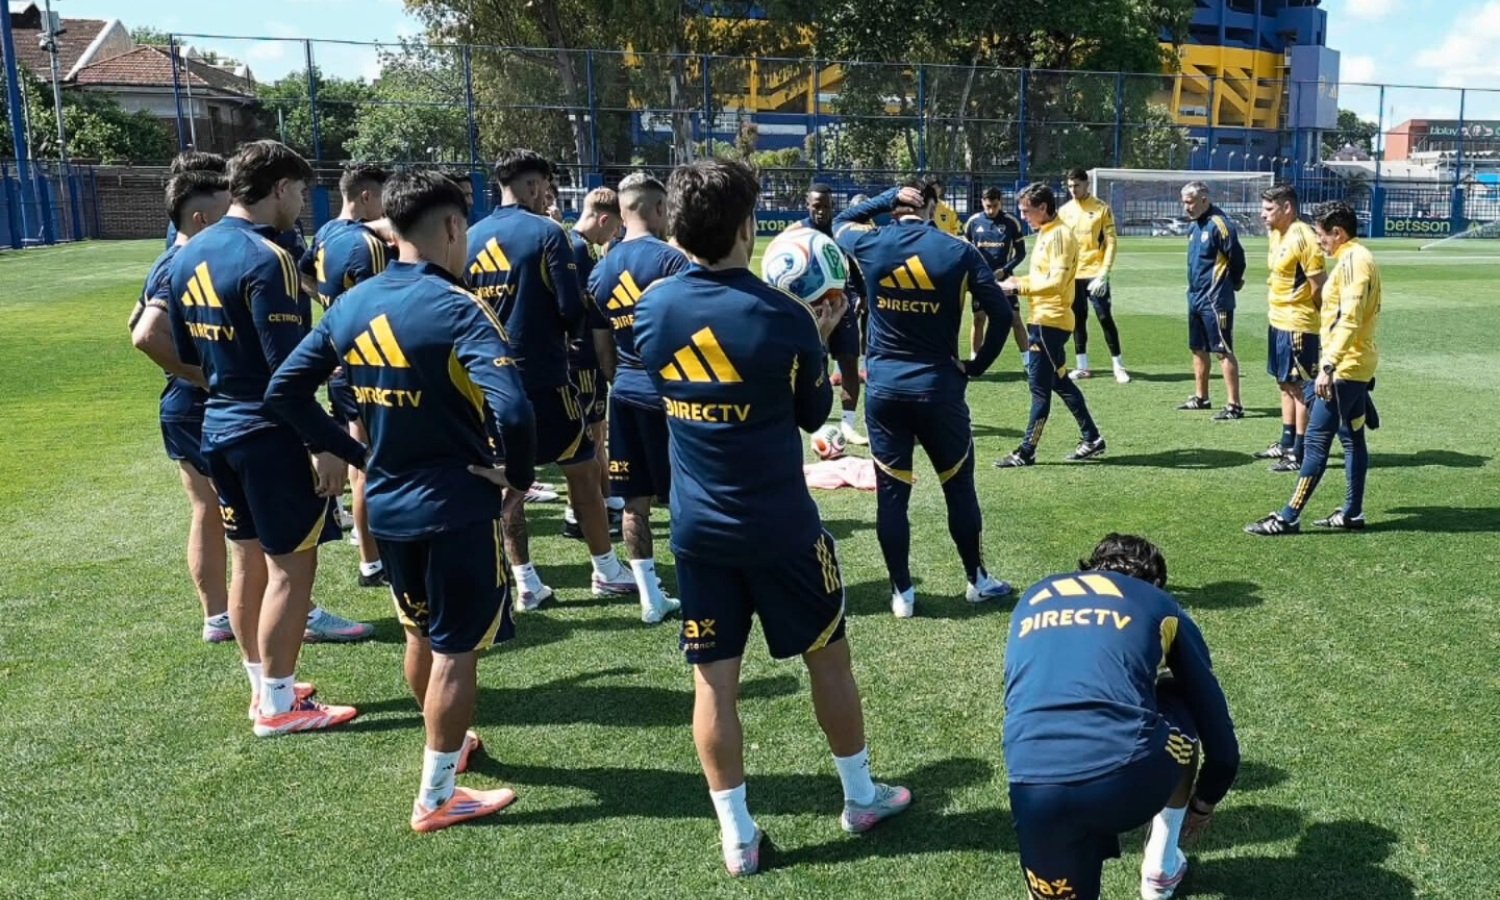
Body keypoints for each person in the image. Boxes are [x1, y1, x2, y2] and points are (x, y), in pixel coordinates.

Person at [635, 159, 910, 877]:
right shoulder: (785, 316)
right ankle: (860, 798)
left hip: (697, 534)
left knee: (713, 685)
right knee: (830, 659)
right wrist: (820, 334)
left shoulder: (653, 308)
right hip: (783, 530)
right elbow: (815, 415)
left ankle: (737, 835)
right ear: (747, 227)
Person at [266, 169, 534, 831]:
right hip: (453, 506)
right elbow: (516, 410)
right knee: (455, 650)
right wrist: (516, 477)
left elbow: (284, 391)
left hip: (387, 505)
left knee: (420, 631)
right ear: (449, 226)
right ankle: (437, 795)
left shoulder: (352, 304)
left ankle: (450, 748)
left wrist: (361, 458)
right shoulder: (460, 307)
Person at [167, 139, 367, 737]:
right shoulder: (268, 259)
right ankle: (280, 706)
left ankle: (264, 685)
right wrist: (329, 445)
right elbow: (289, 377)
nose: (304, 204)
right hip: (268, 434)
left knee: (248, 559)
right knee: (290, 569)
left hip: (217, 426)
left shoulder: (186, 253)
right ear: (279, 188)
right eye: (302, 192)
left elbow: (183, 351)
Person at [1003, 534, 1240, 900]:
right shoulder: (1160, 605)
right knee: (1179, 691)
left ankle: (1158, 865)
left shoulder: (1032, 597)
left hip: (1032, 788)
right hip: (1127, 778)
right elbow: (1221, 743)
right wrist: (1204, 802)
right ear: (1155, 581)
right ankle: (1161, 864)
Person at [834, 180, 1018, 618]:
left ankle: (902, 594)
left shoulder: (871, 241)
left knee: (891, 496)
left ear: (897, 206)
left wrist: (885, 199)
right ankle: (977, 580)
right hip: (939, 389)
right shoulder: (958, 250)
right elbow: (1000, 312)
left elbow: (841, 221)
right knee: (958, 486)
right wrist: (976, 367)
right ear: (934, 207)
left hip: (884, 391)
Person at [465, 148, 635, 609]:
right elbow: (569, 309)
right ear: (535, 184)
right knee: (582, 471)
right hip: (543, 377)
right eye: (546, 186)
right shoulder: (547, 232)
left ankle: (525, 582)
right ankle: (605, 569)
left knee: (507, 484)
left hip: (485, 383)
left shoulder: (470, 235)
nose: (548, 196)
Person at [130, 169, 232, 642]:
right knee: (248, 510)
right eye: (225, 210)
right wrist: (201, 376)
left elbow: (135, 315)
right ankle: (293, 608)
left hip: (183, 404)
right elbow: (144, 333)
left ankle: (218, 618)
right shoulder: (186, 260)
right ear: (199, 216)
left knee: (207, 509)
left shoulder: (167, 260)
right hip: (199, 405)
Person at [1246, 202, 1381, 536]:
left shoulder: (1353, 261)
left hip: (1344, 369)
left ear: (1338, 232)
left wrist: (1329, 366)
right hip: (1356, 366)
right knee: (1352, 440)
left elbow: (1349, 318)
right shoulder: (1358, 257)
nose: (1319, 242)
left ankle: (1288, 517)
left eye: (1322, 235)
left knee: (1318, 443)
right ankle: (1352, 512)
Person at [585, 173, 685, 623]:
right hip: (672, 396)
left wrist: (621, 380)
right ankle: (700, 583)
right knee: (686, 498)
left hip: (624, 393)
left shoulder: (600, 270)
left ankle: (650, 597)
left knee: (634, 503)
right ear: (660, 209)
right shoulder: (674, 262)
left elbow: (602, 349)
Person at [308, 163, 393, 588]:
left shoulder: (324, 233)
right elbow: (378, 308)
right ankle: (373, 559)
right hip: (366, 364)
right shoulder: (367, 244)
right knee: (367, 464)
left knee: (360, 460)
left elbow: (307, 274)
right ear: (365, 197)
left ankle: (370, 555)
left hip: (339, 363)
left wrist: (330, 308)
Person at [996, 184, 1107, 468]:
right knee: (1060, 382)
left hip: (1049, 324)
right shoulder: (1048, 232)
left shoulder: (1058, 235)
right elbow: (1043, 277)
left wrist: (1016, 289)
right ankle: (1092, 438)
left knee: (1039, 390)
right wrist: (1014, 281)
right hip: (1046, 320)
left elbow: (1056, 284)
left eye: (1026, 211)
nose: (1023, 217)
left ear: (1043, 207)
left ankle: (1026, 452)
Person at [563, 186, 626, 540]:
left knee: (595, 435)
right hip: (582, 359)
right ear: (604, 220)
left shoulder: (577, 246)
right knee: (589, 437)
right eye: (615, 227)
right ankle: (581, 515)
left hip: (583, 356)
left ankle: (604, 504)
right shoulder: (577, 250)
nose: (615, 235)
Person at [1253, 185, 1326, 473]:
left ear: (1287, 208)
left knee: (1300, 389)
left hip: (1299, 323)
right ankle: (1286, 441)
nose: (1262, 215)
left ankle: (1301, 449)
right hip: (1278, 319)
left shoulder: (1304, 237)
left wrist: (1326, 323)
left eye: (1269, 209)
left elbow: (1318, 285)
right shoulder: (1275, 234)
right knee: (1284, 383)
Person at [802, 182, 868, 445]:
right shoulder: (799, 234)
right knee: (815, 362)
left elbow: (850, 263)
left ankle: (848, 424)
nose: (822, 211)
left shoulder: (838, 232)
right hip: (811, 310)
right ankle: (813, 417)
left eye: (826, 206)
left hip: (841, 305)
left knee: (849, 361)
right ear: (808, 205)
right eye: (817, 206)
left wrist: (862, 293)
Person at [1178, 182, 1247, 419]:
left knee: (1222, 350)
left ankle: (1234, 405)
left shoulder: (1220, 224)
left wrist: (1234, 282)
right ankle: (1201, 397)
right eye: (1184, 202)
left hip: (1216, 299)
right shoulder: (1195, 226)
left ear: (1204, 199)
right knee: (1198, 348)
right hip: (1196, 297)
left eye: (1190, 202)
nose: (1185, 207)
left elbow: (1236, 257)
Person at [1059, 168, 1130, 383]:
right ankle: (1082, 366)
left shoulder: (1101, 209)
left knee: (1104, 317)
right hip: (1074, 275)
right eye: (1070, 186)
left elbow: (1111, 242)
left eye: (1077, 186)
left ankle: (1118, 365)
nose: (1073, 190)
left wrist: (1104, 273)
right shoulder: (1064, 211)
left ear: (1086, 184)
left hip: (1095, 273)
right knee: (1077, 319)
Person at [963, 186, 1029, 362]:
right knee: (979, 319)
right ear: (982, 203)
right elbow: (966, 252)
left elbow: (1021, 253)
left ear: (1000, 202)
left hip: (1006, 280)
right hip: (980, 280)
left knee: (1015, 319)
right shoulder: (973, 222)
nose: (991, 210)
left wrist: (1005, 270)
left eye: (994, 206)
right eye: (987, 206)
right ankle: (975, 359)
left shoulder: (1011, 222)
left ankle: (1029, 362)